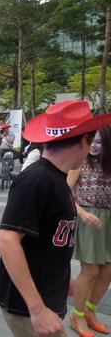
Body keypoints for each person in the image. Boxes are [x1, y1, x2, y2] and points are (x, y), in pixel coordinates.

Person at [0, 100, 111, 337]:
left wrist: (59, 279)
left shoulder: (58, 179)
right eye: (91, 141)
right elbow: (7, 240)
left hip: (47, 295)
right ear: (82, 140)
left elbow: (46, 240)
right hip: (28, 308)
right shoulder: (36, 180)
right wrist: (37, 309)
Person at [67, 126, 111, 337]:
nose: (94, 144)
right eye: (92, 140)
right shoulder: (80, 163)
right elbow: (65, 193)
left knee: (108, 271)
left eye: (100, 141)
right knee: (91, 271)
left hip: (108, 220)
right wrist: (83, 214)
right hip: (87, 218)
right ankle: (77, 314)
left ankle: (90, 311)